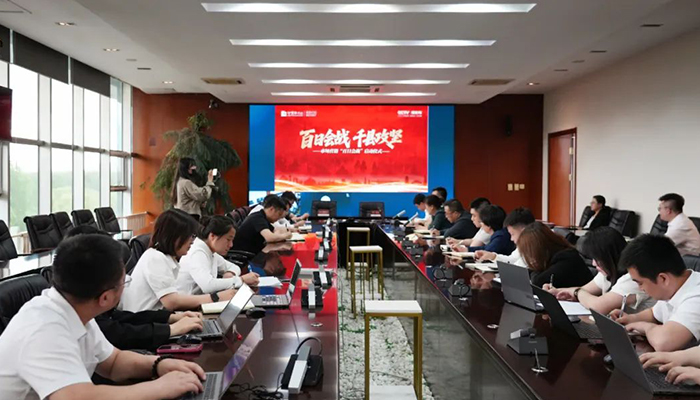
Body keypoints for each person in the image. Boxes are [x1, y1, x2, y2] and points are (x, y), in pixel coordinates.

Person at [0, 234, 206, 400]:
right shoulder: (43, 328)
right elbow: (75, 397)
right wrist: (158, 388)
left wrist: (159, 364)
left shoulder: (77, 310)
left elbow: (114, 363)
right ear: (105, 298)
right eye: (124, 282)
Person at [63, 226, 204, 351]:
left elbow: (119, 317)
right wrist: (170, 330)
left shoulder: (83, 298)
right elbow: (116, 333)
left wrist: (171, 318)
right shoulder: (68, 317)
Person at [120, 209, 237, 312]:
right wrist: (216, 297)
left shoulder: (167, 258)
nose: (192, 241)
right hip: (141, 324)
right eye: (190, 236)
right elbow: (172, 302)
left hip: (155, 319)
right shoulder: (155, 258)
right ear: (174, 236)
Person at [611, 234, 700, 352]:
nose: (640, 289)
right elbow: (654, 314)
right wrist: (631, 319)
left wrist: (643, 326)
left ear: (663, 278)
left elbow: (663, 342)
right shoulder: (674, 286)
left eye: (640, 283)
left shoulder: (696, 296)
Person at [545, 227, 654, 315]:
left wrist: (577, 293)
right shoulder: (608, 271)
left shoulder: (633, 278)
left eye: (597, 259)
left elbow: (598, 306)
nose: (593, 263)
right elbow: (584, 290)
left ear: (609, 257)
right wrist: (556, 291)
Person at [177, 215, 260, 295]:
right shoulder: (197, 253)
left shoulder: (210, 251)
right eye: (228, 239)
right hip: (189, 302)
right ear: (212, 236)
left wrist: (230, 273)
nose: (231, 245)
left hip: (203, 300)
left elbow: (234, 267)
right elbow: (208, 286)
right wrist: (241, 280)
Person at [518, 222, 593, 288]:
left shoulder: (566, 259)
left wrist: (533, 271)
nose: (529, 256)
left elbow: (538, 282)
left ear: (539, 248)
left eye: (529, 252)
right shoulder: (554, 256)